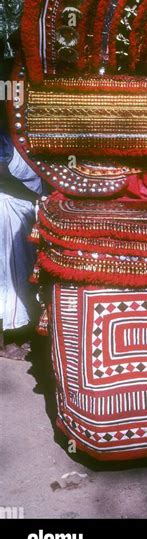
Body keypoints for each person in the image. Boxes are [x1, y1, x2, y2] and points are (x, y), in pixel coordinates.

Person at [0, 116, 42, 360]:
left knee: (17, 275)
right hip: (6, 208)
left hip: (19, 208)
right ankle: (4, 344)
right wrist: (32, 192)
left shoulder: (17, 136)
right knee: (6, 278)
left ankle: (13, 335)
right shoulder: (4, 138)